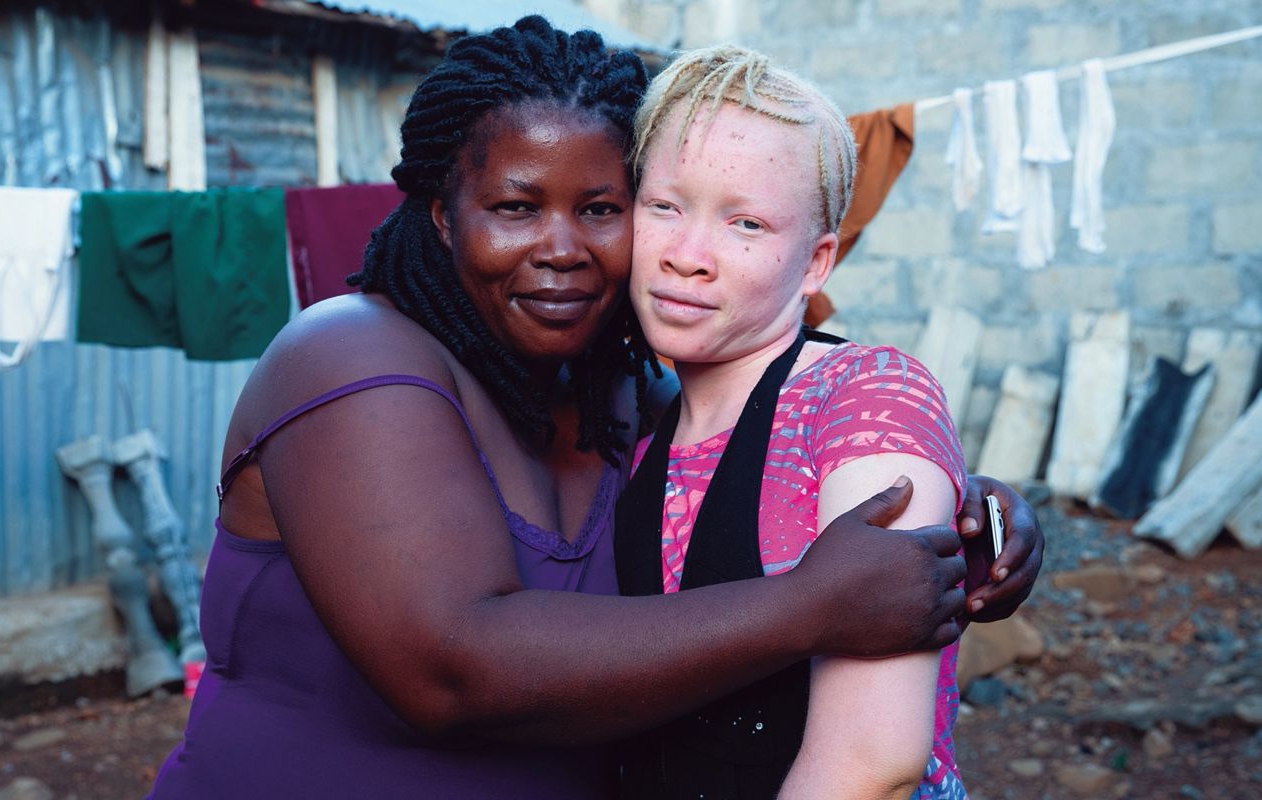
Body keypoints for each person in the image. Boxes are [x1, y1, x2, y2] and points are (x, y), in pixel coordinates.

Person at [150, 17, 1041, 798]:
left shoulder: (630, 393)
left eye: (603, 208)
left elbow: (751, 484)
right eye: (515, 207)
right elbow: (449, 671)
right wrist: (810, 607)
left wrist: (963, 520)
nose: (562, 249)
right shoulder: (348, 356)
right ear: (443, 216)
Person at [616, 46, 999, 799]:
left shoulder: (866, 400)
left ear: (817, 262)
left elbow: (872, 763)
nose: (688, 256)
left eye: (747, 223)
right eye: (664, 206)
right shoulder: (638, 431)